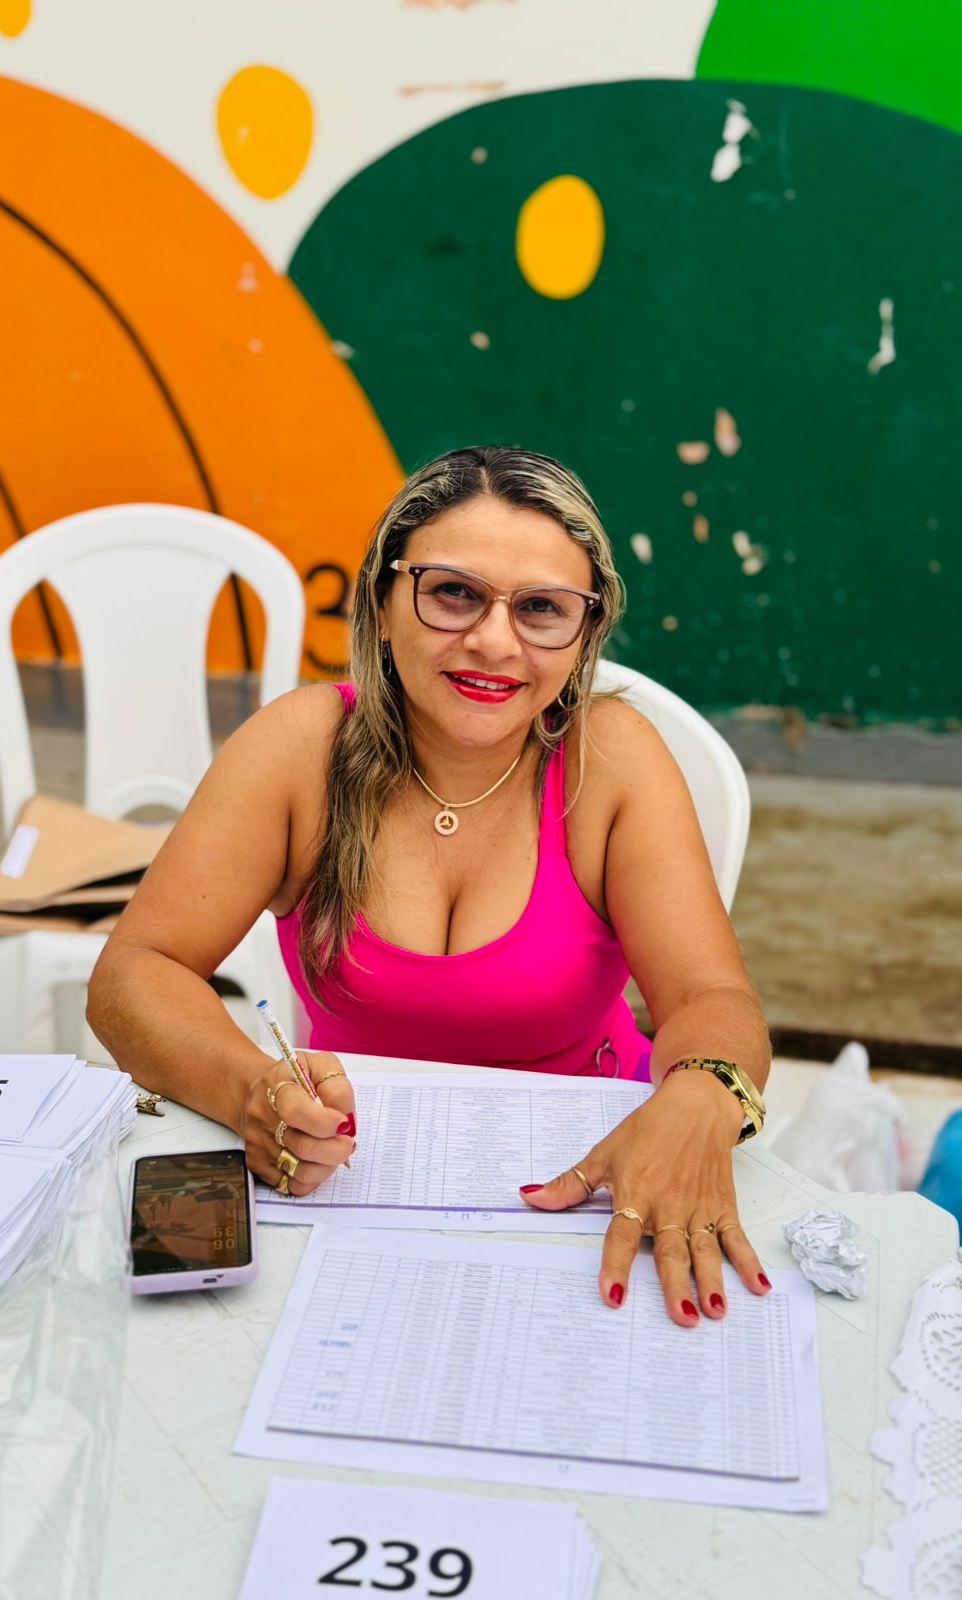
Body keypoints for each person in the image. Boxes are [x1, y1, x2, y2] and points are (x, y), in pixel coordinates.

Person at [88, 446, 773, 1328]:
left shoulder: (610, 760)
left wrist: (699, 1100)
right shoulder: (301, 750)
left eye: (542, 609)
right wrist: (249, 1089)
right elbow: (135, 972)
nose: (495, 641)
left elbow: (713, 998)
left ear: (585, 634)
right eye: (453, 593)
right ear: (383, 601)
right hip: (348, 1175)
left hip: (594, 1175)